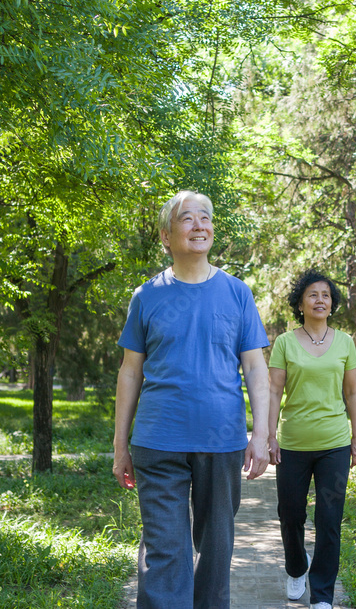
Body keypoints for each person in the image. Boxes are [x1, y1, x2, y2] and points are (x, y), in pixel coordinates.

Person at [113, 190, 271, 609]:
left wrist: (261, 434)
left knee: (216, 549)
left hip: (222, 440)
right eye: (188, 218)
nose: (200, 224)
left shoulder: (237, 293)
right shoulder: (146, 295)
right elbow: (130, 372)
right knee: (166, 549)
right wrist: (119, 447)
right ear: (166, 235)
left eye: (206, 217)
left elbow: (256, 368)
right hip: (157, 439)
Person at [267, 269, 356, 609]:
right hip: (293, 444)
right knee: (290, 514)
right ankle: (296, 568)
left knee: (330, 520)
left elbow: (352, 394)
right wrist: (269, 436)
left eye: (326, 295)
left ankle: (322, 595)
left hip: (335, 444)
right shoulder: (284, 342)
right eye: (313, 294)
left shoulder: (345, 342)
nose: (320, 300)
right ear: (300, 303)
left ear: (332, 304)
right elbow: (274, 391)